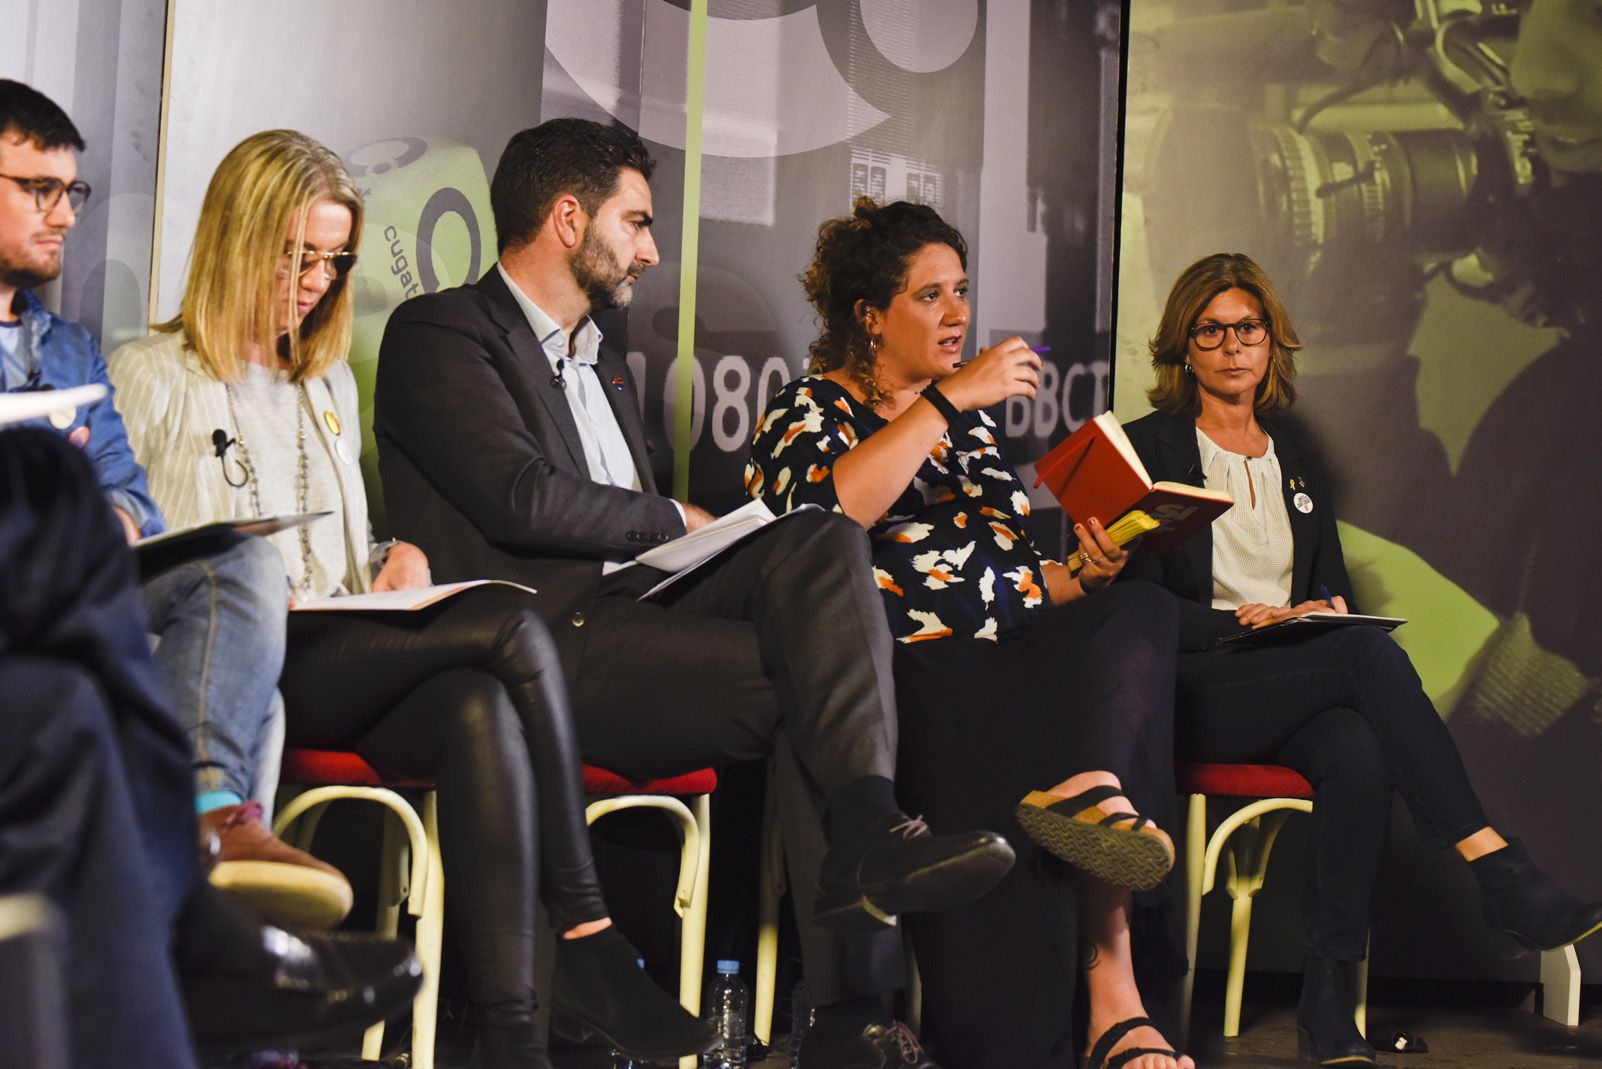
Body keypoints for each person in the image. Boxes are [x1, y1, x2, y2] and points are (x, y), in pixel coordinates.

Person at [374, 117, 1015, 1068]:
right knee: (814, 667)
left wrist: (699, 534)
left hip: (634, 623)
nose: (652, 248)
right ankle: (853, 957)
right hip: (535, 647)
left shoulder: (601, 353)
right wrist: (679, 520)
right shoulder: (442, 331)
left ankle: (857, 927)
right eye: (635, 222)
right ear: (566, 219)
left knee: (820, 542)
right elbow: (518, 495)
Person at [108, 129, 715, 1069]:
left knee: (481, 706)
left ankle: (514, 1039)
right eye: (294, 255)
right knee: (510, 620)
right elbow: (136, 571)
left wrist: (396, 555)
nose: (313, 280)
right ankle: (589, 935)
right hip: (233, 670)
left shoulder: (324, 388)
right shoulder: (151, 375)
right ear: (235, 239)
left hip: (339, 646)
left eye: (332, 258)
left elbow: (340, 548)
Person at [1119, 251, 1602, 1067]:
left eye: (1249, 328)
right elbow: (1132, 606)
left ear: (1272, 342)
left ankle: (1328, 1006)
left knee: (1357, 743)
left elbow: (1330, 589)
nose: (1234, 345)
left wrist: (1317, 608)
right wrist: (1242, 615)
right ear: (1183, 348)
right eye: (1213, 331)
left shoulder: (1295, 459)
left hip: (1285, 676)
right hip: (1193, 684)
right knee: (1362, 661)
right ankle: (1501, 871)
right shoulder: (1146, 448)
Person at [745, 198, 1190, 1069]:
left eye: (963, 290)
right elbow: (825, 524)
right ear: (871, 316)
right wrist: (947, 401)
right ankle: (1107, 996)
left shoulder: (974, 432)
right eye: (931, 295)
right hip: (922, 677)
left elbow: (1014, 583)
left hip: (1018, 652)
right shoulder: (805, 412)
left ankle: (1110, 953)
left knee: (1142, 605)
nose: (958, 314)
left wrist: (1083, 574)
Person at [0, 77, 350, 928]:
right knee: (244, 691)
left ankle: (208, 864)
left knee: (238, 567)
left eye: (70, 191)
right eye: (38, 190)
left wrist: (103, 517)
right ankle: (210, 923)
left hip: (80, 596)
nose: (65, 214)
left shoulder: (71, 350)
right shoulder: (146, 367)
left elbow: (132, 502)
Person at [0, 424, 421, 1069]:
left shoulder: (59, 348)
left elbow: (130, 496)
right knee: (71, 704)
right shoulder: (159, 376)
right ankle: (199, 933)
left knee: (46, 472)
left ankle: (199, 940)